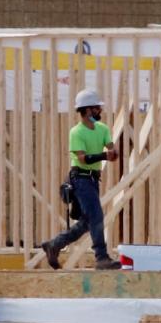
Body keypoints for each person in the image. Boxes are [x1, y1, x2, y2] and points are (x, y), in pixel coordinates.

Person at [40, 89, 122, 270]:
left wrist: (113, 152)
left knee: (88, 221)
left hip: (92, 180)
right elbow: (83, 158)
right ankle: (101, 258)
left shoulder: (103, 129)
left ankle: (55, 244)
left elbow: (111, 149)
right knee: (96, 216)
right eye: (96, 109)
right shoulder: (76, 132)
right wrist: (104, 156)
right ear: (85, 110)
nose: (99, 112)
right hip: (80, 179)